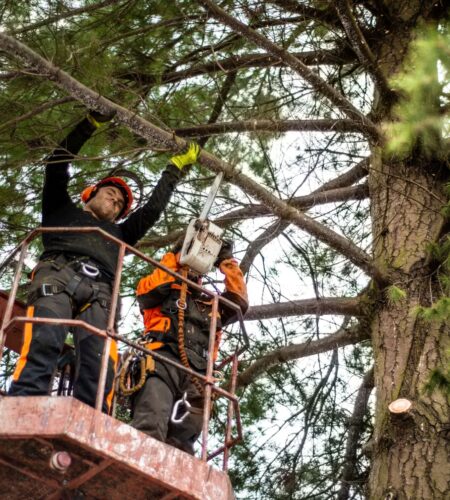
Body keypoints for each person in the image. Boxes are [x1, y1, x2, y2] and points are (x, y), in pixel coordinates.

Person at [8, 111, 200, 413]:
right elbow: (57, 164)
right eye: (111, 193)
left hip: (100, 291)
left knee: (100, 360)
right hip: (58, 273)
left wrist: (173, 170)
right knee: (45, 336)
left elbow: (151, 211)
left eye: (121, 204)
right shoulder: (60, 209)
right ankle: (22, 404)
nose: (116, 201)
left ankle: (90, 417)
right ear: (90, 194)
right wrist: (89, 123)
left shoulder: (121, 233)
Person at [130, 240, 248, 454]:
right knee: (151, 420)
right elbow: (151, 291)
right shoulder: (161, 291)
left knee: (184, 441)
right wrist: (175, 254)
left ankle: (170, 480)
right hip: (162, 362)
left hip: (199, 375)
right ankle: (137, 462)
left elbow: (239, 302)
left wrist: (226, 262)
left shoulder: (211, 304)